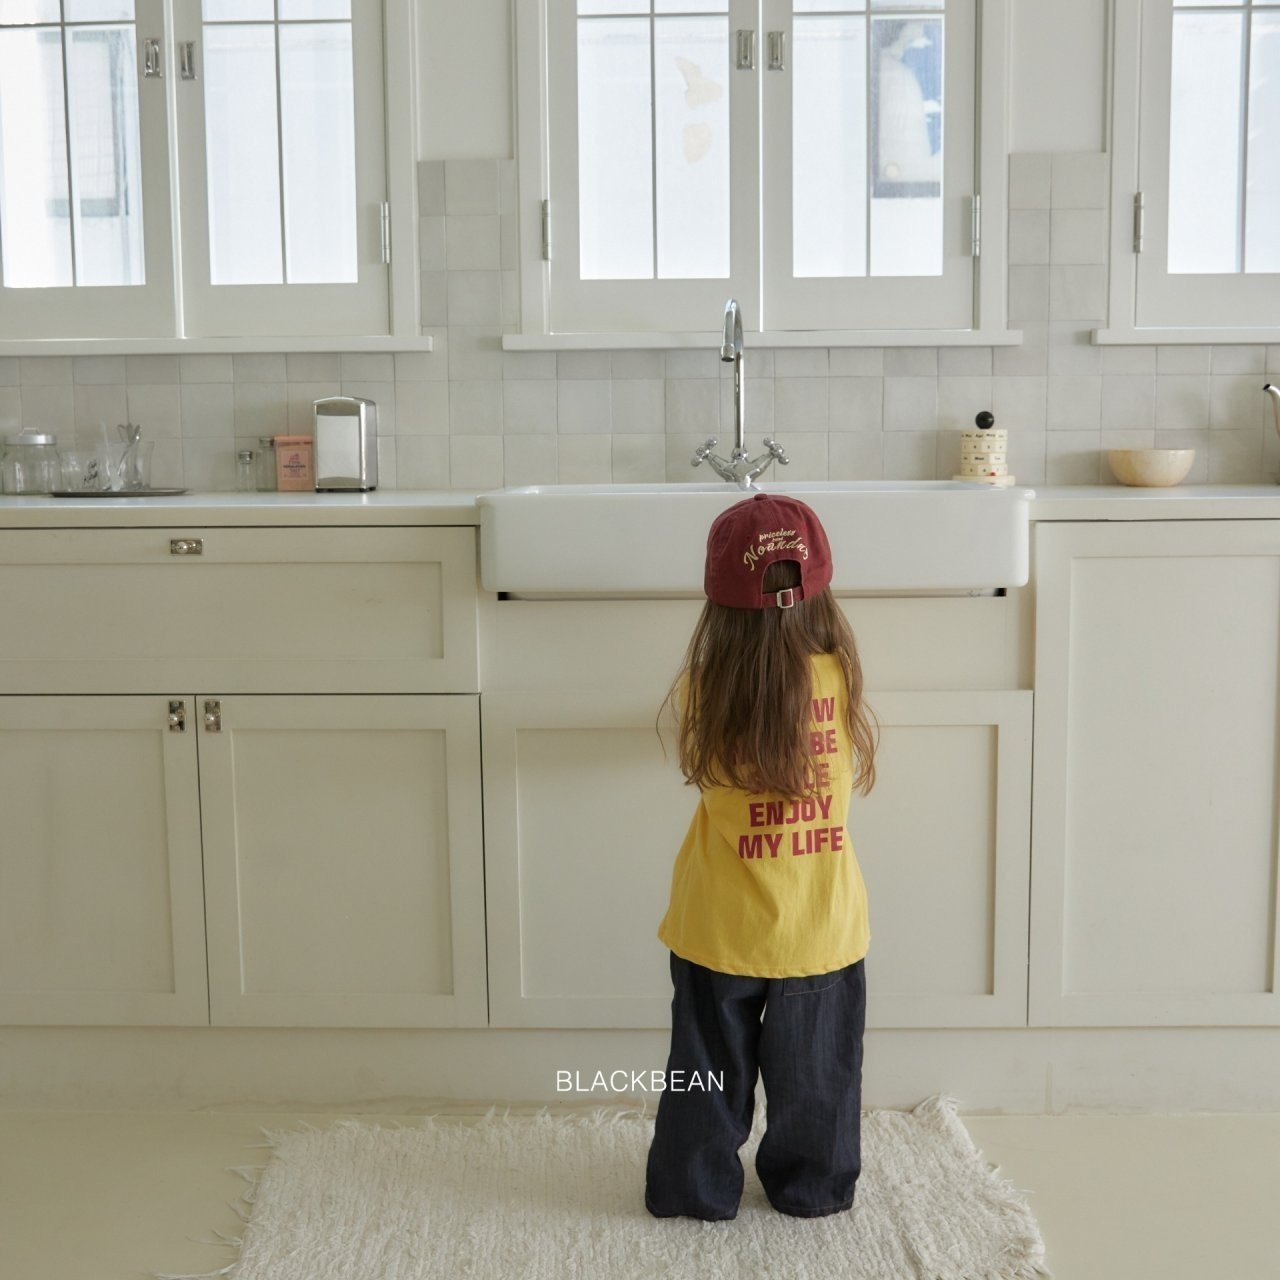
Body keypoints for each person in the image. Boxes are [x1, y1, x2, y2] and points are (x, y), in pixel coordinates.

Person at [644, 490, 880, 1222]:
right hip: (820, 926)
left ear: (719, 603)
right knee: (819, 1083)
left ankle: (693, 1188)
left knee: (705, 1075)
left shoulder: (701, 689)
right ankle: (813, 1188)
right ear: (820, 592)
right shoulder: (841, 677)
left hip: (719, 923)